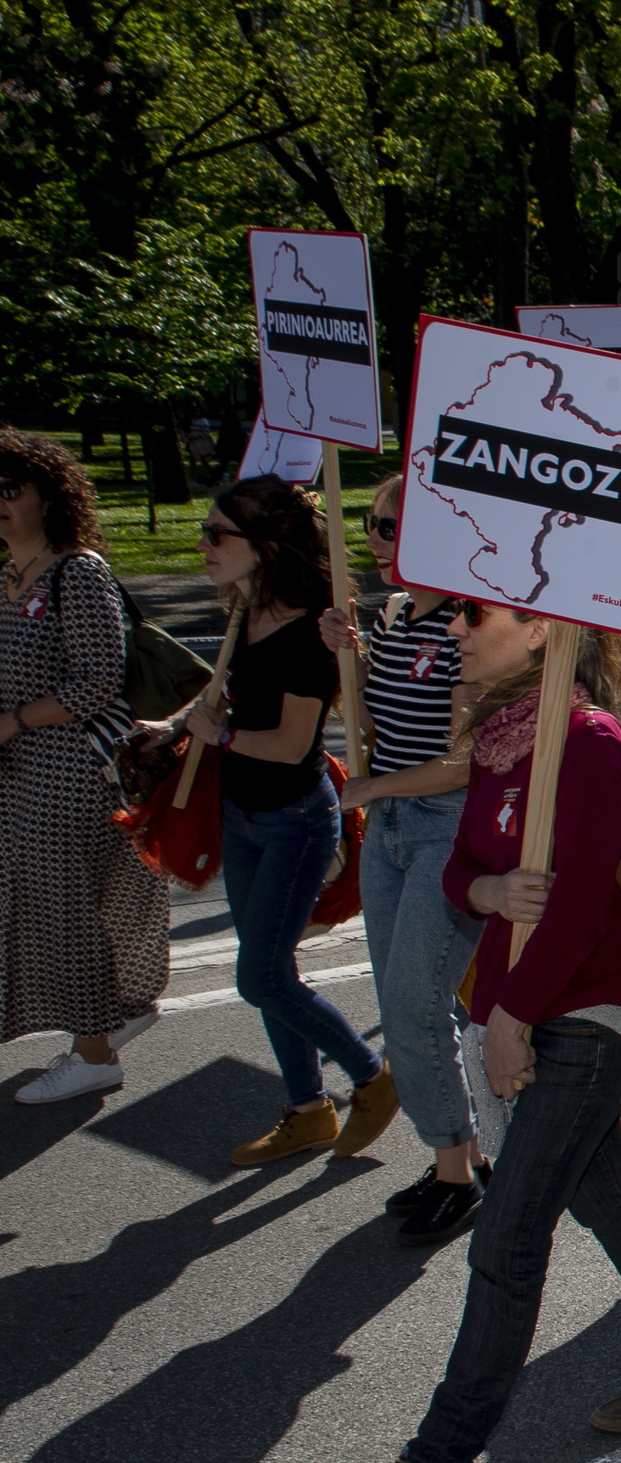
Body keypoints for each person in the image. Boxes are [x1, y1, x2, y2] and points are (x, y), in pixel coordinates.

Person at [329, 609, 621, 1463]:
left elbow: (583, 906)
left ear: (542, 628)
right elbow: (465, 862)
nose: (456, 630)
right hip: (525, 1003)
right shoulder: (505, 740)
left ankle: (441, 1457)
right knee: (604, 1192)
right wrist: (489, 891)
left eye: (475, 616)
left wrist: (509, 1021)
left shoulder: (585, 740)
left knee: (506, 1237)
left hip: (587, 1013)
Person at [168, 475, 396, 1166]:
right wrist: (173, 726)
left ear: (264, 546)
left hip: (294, 823)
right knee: (274, 965)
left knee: (261, 977)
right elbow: (221, 703)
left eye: (217, 535)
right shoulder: (244, 610)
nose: (204, 545)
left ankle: (372, 1076)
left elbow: (294, 746)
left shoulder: (307, 633)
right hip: (241, 814)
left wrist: (222, 737)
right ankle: (308, 1109)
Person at [313, 475, 488, 1241]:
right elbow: (370, 720)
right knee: (401, 1002)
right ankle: (461, 1153)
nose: (374, 540)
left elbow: (460, 764)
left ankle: (459, 1166)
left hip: (445, 826)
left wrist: (366, 788)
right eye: (370, 525)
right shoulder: (387, 616)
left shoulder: (469, 623)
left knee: (418, 1003)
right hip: (388, 825)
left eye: (389, 527)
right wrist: (347, 657)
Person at [0, 432, 166, 1104]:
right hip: (18, 772)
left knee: (65, 911)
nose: (0, 503)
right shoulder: (8, 575)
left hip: (69, 771)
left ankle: (93, 1052)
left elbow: (99, 680)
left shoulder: (78, 572)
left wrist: (12, 721)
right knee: (37, 908)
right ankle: (107, 1019)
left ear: (51, 498)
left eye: (12, 490)